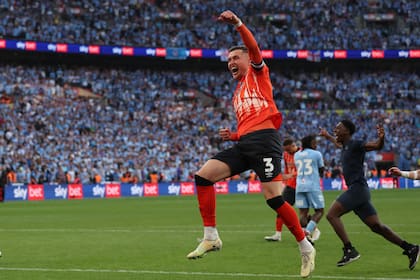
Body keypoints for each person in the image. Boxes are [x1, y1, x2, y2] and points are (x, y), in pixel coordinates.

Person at [186, 10, 316, 278]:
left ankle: (305, 245)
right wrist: (233, 136)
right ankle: (211, 236)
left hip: (266, 142)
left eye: (236, 57)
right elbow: (249, 124)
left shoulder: (258, 74)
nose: (230, 62)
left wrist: (238, 25)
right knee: (203, 177)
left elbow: (254, 48)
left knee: (274, 199)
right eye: (228, 59)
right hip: (246, 143)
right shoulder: (237, 94)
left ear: (247, 58)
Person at [319, 120, 419, 269]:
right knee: (377, 227)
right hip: (360, 192)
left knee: (331, 215)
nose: (335, 130)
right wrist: (327, 136)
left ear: (347, 131)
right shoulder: (345, 146)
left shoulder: (356, 144)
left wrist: (381, 138)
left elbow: (377, 146)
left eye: (338, 128)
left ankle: (349, 249)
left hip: (357, 189)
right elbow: (338, 144)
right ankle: (411, 248)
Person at [264, 138, 320, 242]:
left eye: (289, 150)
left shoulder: (302, 154)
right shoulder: (285, 154)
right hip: (290, 186)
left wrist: (293, 175)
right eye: (285, 150)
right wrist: (286, 178)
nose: (287, 152)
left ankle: (314, 229)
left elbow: (304, 170)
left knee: (301, 212)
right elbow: (286, 168)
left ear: (293, 145)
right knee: (281, 207)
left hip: (300, 185)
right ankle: (278, 234)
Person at [294, 135, 325, 242]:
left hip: (299, 186)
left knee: (303, 213)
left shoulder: (296, 155)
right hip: (312, 185)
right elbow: (321, 170)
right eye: (314, 142)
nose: (316, 144)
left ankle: (305, 239)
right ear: (310, 143)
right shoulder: (317, 154)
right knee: (319, 211)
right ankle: (307, 232)